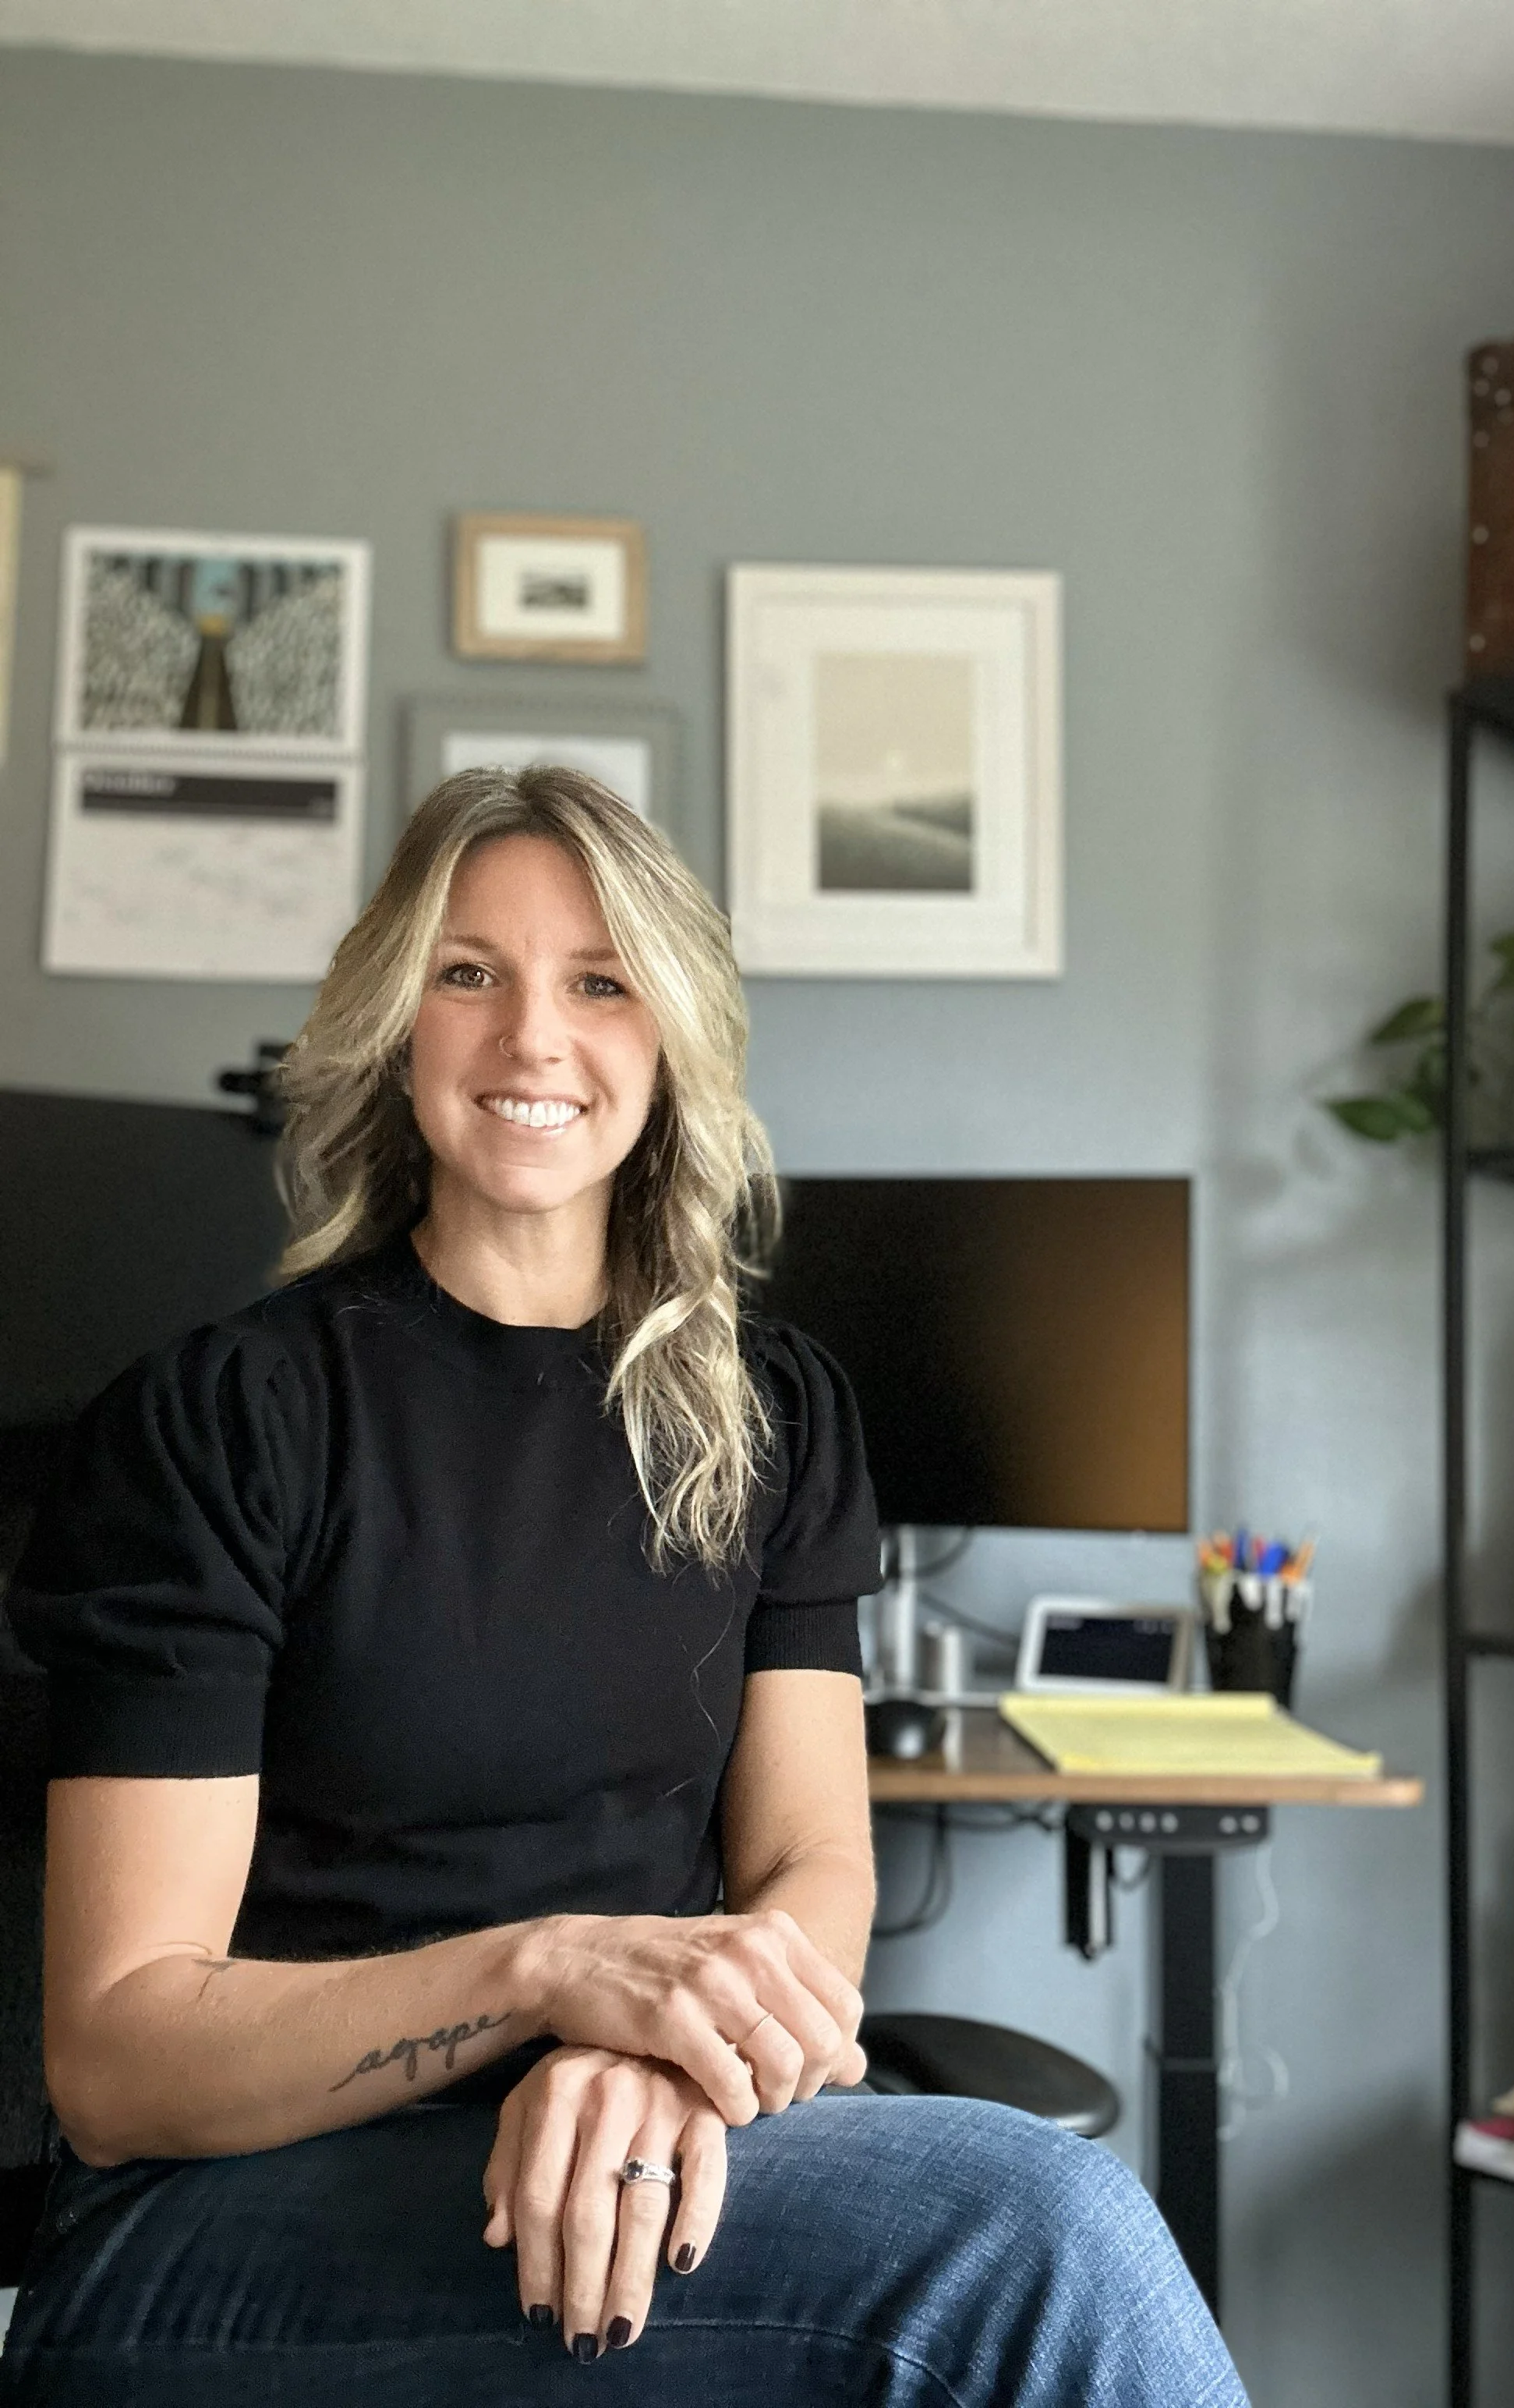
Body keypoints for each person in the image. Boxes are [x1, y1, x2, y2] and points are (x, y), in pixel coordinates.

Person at [0, 767, 1248, 2406]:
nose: (533, 1037)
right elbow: (117, 2060)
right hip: (214, 2222)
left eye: (600, 980)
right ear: (395, 1018)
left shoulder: (779, 1415)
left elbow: (813, 1864)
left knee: (1030, 2229)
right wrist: (547, 1970)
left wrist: (653, 2046)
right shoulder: (230, 1417)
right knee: (1036, 2232)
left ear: (671, 1036)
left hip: (623, 2149)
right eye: (470, 973)